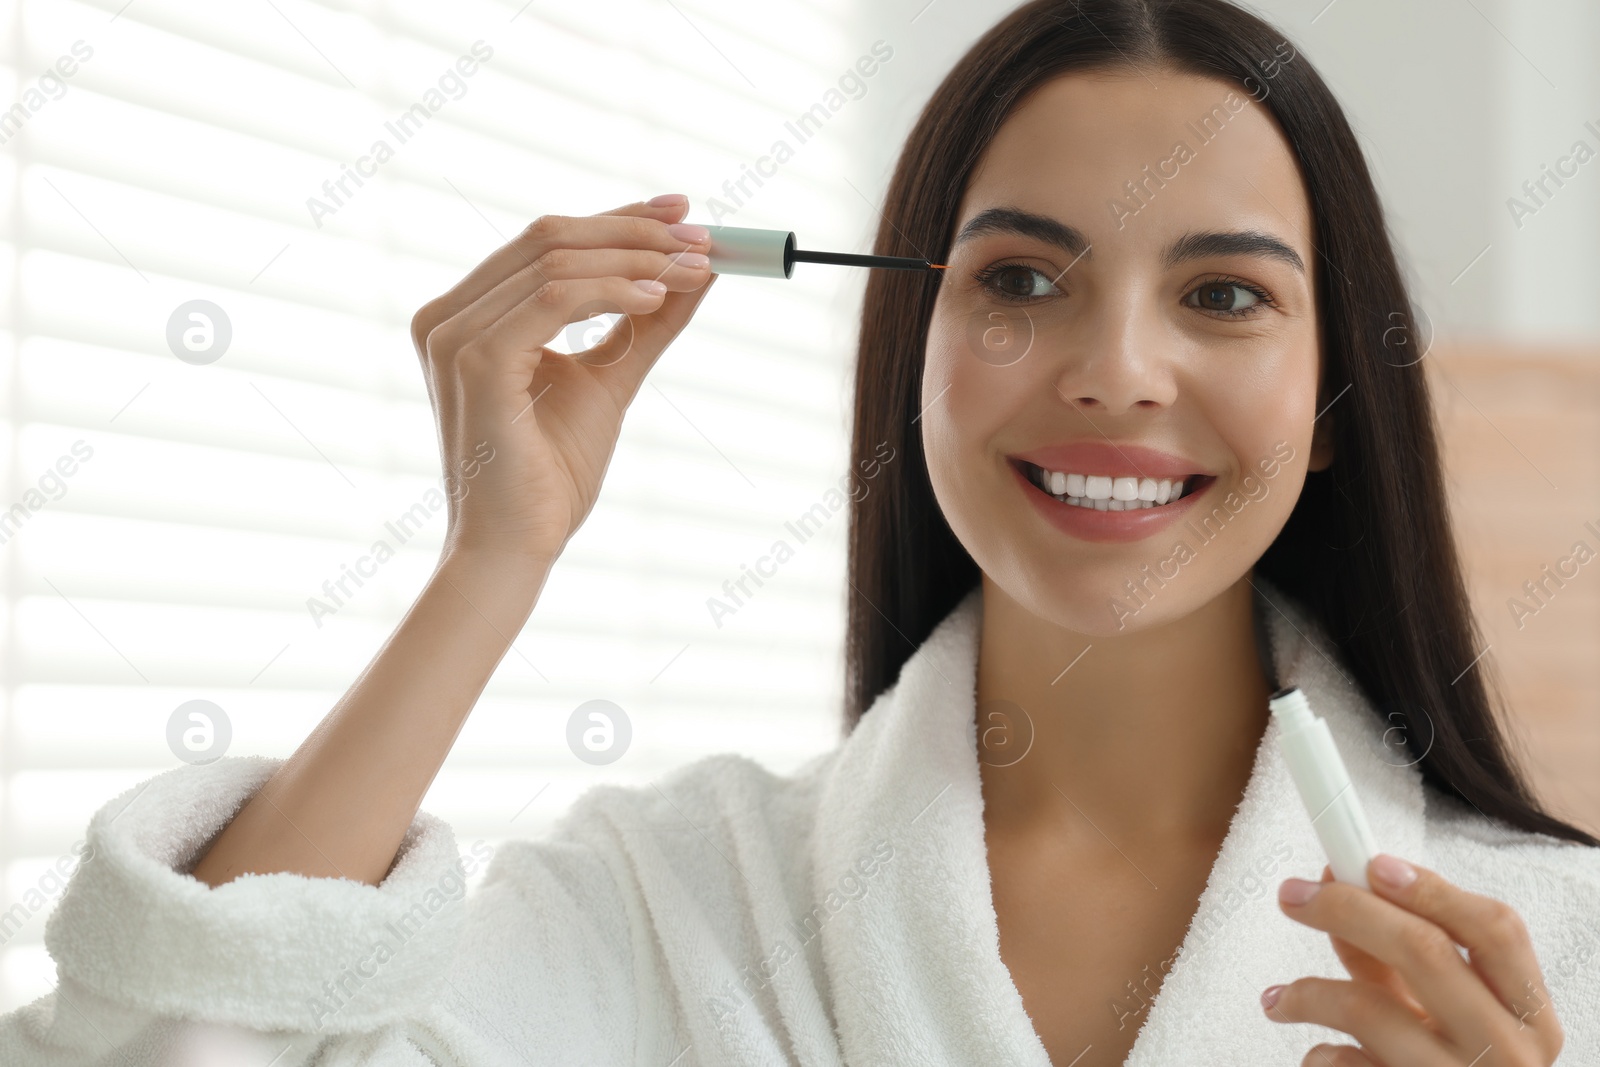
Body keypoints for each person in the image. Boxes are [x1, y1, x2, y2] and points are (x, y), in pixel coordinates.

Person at [5, 1, 1598, 1065]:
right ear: (910, 358)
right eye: (1021, 283)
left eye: (1224, 295)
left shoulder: (1553, 957)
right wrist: (495, 560)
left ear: (1336, 400)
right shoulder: (677, 898)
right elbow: (178, 1041)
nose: (1116, 370)